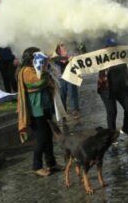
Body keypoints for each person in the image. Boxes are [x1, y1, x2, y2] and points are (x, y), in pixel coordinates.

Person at [17, 47, 60, 177]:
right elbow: (38, 83)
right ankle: (37, 166)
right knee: (41, 138)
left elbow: (49, 82)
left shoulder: (37, 69)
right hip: (35, 110)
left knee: (48, 136)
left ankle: (51, 163)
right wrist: (45, 73)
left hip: (45, 106)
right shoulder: (26, 71)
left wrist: (46, 71)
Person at [97, 38, 128, 139]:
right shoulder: (101, 57)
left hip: (122, 89)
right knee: (112, 112)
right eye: (111, 47)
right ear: (106, 48)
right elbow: (89, 63)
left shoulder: (121, 56)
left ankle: (126, 128)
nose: (114, 48)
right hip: (106, 90)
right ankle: (112, 135)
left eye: (115, 46)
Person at [52, 43, 80, 119]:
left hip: (70, 76)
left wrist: (72, 57)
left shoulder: (71, 52)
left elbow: (77, 56)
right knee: (62, 95)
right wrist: (66, 58)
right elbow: (57, 59)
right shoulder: (55, 55)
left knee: (72, 94)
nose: (64, 48)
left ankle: (75, 111)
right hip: (60, 78)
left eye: (64, 46)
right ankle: (63, 111)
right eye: (61, 47)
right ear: (58, 49)